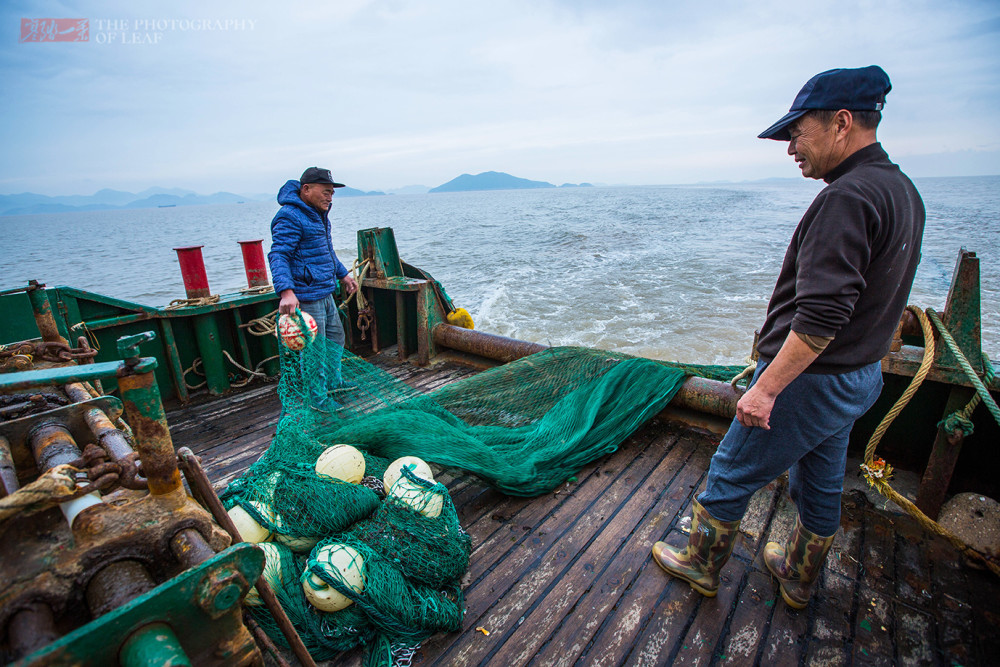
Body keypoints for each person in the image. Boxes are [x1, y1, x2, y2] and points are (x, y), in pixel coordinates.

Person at [652, 66, 925, 609]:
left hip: (811, 380)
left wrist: (766, 388)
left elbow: (822, 316)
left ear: (841, 122)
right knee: (820, 480)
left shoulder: (847, 198)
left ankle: (701, 564)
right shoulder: (901, 190)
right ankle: (799, 576)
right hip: (858, 377)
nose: (790, 148)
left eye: (797, 133)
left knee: (731, 469)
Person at [268, 167, 359, 409]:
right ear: (306, 189)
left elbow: (325, 251)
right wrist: (286, 292)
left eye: (332, 193)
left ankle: (334, 382)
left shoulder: (318, 214)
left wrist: (343, 275)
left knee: (336, 338)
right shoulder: (290, 216)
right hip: (306, 296)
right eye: (326, 192)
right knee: (315, 351)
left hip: (325, 291)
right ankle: (318, 399)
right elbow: (278, 254)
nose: (330, 197)